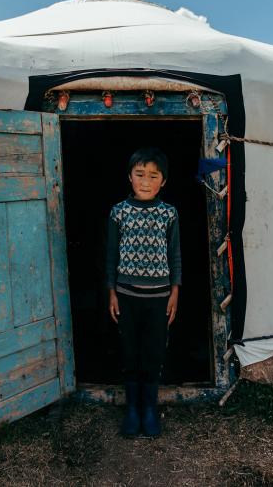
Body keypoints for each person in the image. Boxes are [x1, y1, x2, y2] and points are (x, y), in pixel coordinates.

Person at [106, 147, 181, 437]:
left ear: (163, 181)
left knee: (152, 353)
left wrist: (175, 292)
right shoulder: (119, 212)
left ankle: (149, 409)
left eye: (153, 176)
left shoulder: (169, 214)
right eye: (140, 175)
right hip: (126, 296)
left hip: (159, 298)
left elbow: (175, 256)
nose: (146, 181)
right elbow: (111, 254)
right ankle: (132, 410)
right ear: (129, 177)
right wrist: (112, 292)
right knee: (130, 353)